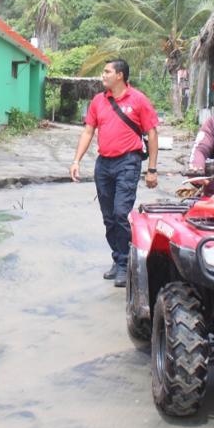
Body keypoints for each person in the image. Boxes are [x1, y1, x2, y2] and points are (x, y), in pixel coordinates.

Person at [70, 59, 159, 288]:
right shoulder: (98, 101)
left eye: (107, 71)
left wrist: (152, 169)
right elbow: (88, 131)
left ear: (120, 75)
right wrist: (76, 160)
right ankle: (119, 258)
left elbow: (152, 133)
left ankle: (125, 264)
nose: (103, 75)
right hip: (104, 164)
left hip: (128, 162)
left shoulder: (138, 100)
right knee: (109, 216)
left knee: (121, 213)